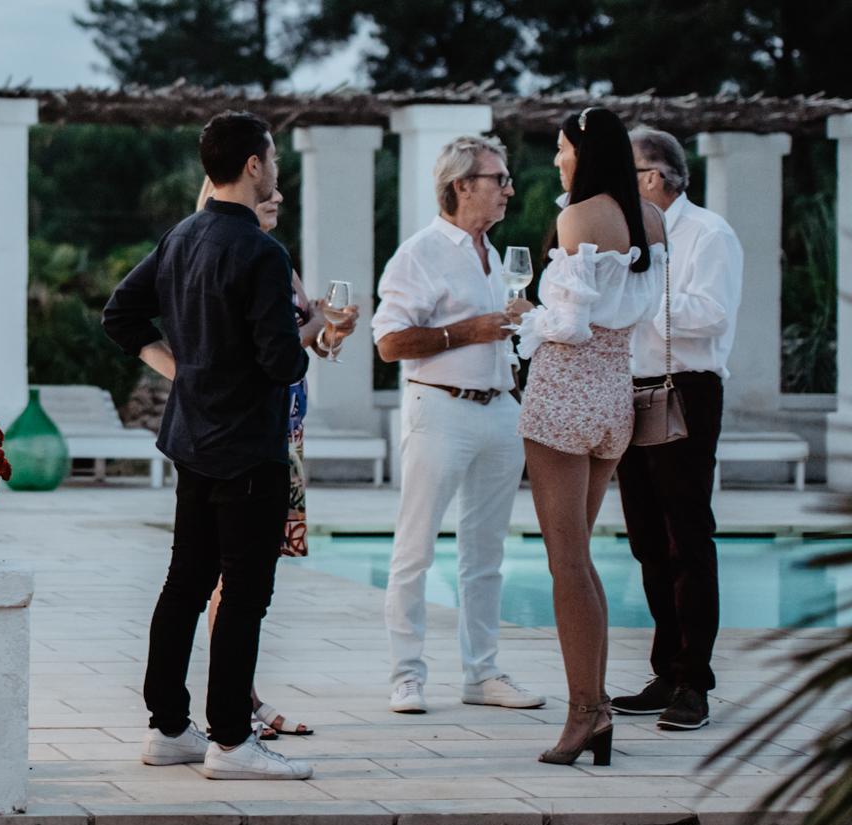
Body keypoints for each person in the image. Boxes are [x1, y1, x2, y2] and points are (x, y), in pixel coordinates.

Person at [101, 112, 315, 781]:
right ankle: (229, 739)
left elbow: (120, 315)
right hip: (248, 445)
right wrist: (308, 327)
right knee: (245, 591)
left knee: (186, 582)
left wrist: (183, 370)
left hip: (194, 440)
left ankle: (168, 726)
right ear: (253, 164)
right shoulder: (262, 252)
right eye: (272, 156)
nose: (275, 167)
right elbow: (282, 363)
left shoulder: (182, 235)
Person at [370, 135, 545, 717]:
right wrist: (464, 332)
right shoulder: (418, 253)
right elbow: (390, 342)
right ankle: (406, 675)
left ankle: (482, 673)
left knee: (487, 552)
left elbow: (499, 332)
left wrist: (517, 329)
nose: (509, 190)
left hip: (499, 409)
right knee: (415, 548)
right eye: (499, 179)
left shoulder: (495, 255)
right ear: (462, 185)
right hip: (440, 407)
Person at [514, 107, 666, 767]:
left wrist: (527, 312)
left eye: (560, 148)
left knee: (566, 564)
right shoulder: (652, 220)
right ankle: (596, 704)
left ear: (583, 149)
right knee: (583, 559)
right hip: (615, 396)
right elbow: (634, 311)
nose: (556, 160)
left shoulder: (580, 218)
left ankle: (584, 712)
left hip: (564, 393)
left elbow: (570, 325)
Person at [203, 180, 360, 740]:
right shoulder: (240, 255)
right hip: (253, 430)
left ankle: (242, 693)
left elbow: (302, 345)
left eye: (277, 195)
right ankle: (236, 701)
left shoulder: (280, 263)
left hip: (285, 431)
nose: (276, 198)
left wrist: (329, 334)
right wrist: (317, 327)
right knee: (234, 577)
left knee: (251, 574)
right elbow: (277, 347)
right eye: (265, 192)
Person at [613, 126, 742, 732]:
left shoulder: (708, 232)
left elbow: (710, 314)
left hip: (687, 390)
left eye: (627, 173)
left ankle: (695, 681)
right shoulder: (629, 237)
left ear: (653, 178)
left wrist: (641, 296)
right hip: (633, 390)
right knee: (644, 538)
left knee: (687, 535)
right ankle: (665, 668)